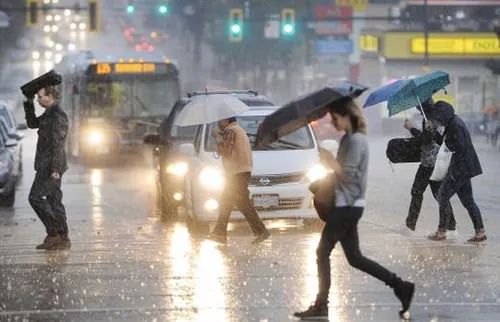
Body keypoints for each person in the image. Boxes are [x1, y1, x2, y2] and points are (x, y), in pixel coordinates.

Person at [294, 100, 414, 320]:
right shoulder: (349, 139)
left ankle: (321, 306)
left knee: (322, 253)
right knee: (355, 258)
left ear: (347, 116)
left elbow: (349, 177)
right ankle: (400, 286)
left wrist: (330, 161)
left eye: (335, 117)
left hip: (348, 207)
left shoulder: (357, 141)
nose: (332, 121)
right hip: (347, 205)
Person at [425, 101, 486, 242]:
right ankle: (480, 232)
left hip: (460, 169)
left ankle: (441, 232)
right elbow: (444, 141)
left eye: (437, 116)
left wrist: (446, 142)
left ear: (443, 114)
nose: (436, 119)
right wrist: (433, 130)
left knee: (442, 196)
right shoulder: (452, 122)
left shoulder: (455, 125)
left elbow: (457, 146)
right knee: (468, 200)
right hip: (464, 168)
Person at [208, 117, 270, 244]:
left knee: (239, 203)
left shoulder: (232, 131)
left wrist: (218, 138)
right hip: (239, 172)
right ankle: (219, 233)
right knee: (229, 202)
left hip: (237, 173)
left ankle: (261, 231)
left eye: (219, 121)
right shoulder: (238, 130)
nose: (218, 124)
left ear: (226, 120)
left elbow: (226, 151)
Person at [24, 85, 70, 250]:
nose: (38, 99)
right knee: (54, 200)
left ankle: (54, 232)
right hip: (48, 164)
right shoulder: (49, 113)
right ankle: (63, 238)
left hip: (50, 165)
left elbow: (58, 144)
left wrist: (55, 170)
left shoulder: (57, 115)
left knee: (35, 198)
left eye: (40, 96)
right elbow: (32, 123)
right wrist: (28, 103)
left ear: (50, 96)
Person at [403, 101, 457, 231]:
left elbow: (425, 140)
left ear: (425, 108)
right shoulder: (439, 118)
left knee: (417, 191)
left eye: (420, 109)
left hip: (429, 164)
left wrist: (411, 128)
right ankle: (451, 225)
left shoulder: (430, 119)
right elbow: (435, 138)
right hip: (437, 162)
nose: (420, 112)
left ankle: (410, 225)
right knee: (439, 194)